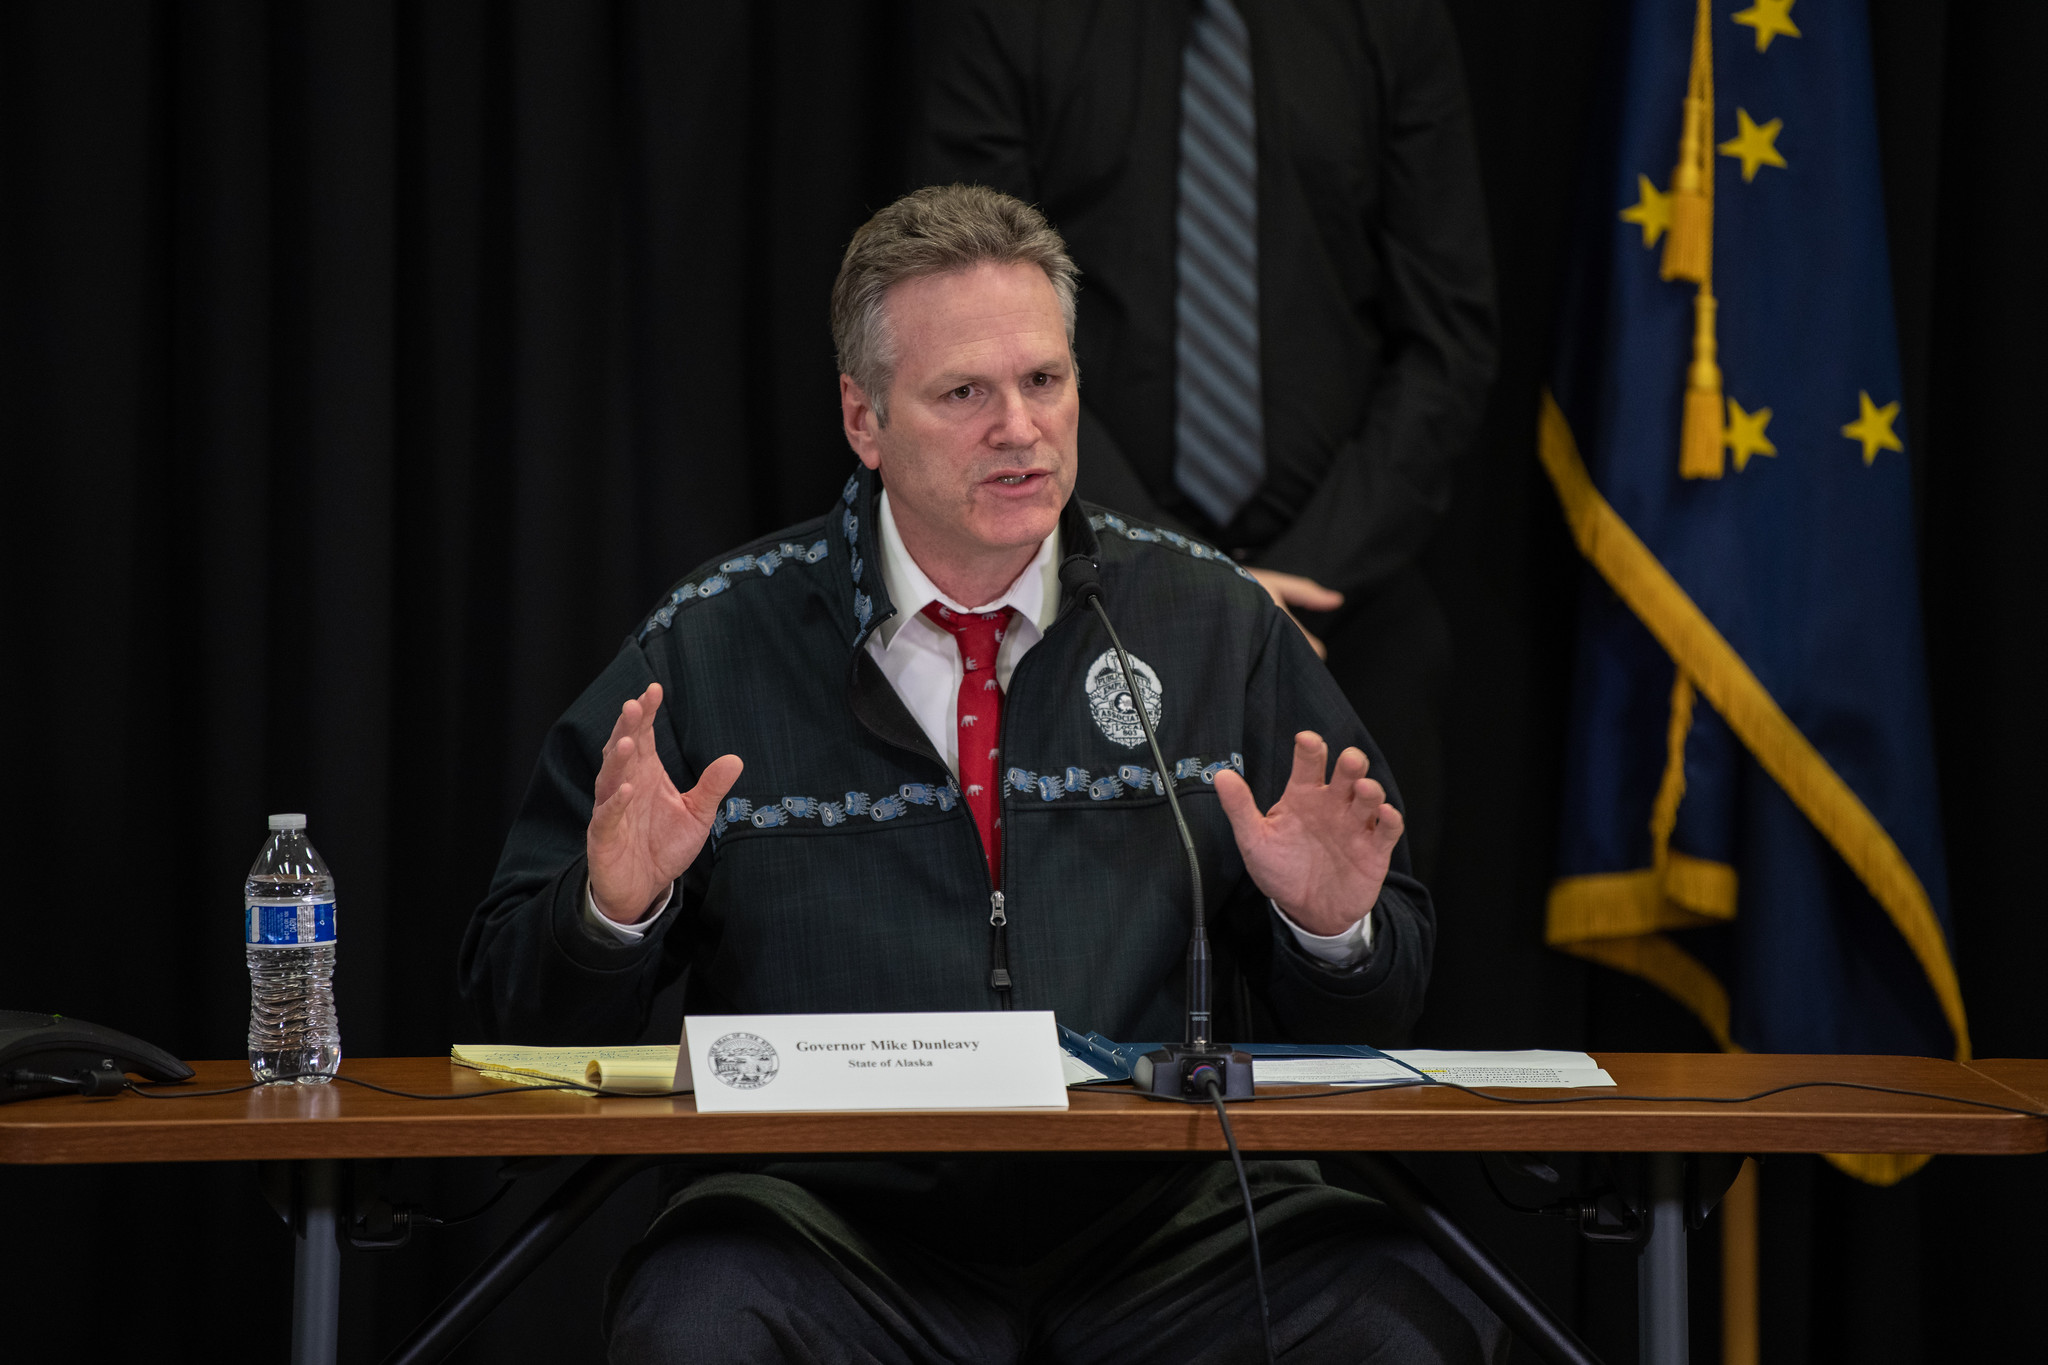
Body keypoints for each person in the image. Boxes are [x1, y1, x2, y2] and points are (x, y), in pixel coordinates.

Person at [462, 185, 1503, 1363]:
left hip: (1165, 1226)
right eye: (963, 393)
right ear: (863, 419)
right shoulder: (711, 640)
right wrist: (611, 914)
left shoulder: (1211, 623)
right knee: (698, 1318)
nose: (1020, 428)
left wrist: (1329, 935)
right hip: (822, 1229)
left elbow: (1382, 1010)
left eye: (1043, 380)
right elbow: (517, 1012)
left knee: (1397, 1308)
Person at [915, 0, 1498, 882]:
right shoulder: (1010, 22)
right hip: (1078, 602)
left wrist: (1283, 592)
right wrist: (1192, 584)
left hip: (1341, 610)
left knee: (1363, 943)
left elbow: (1447, 344)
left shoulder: (1391, 22)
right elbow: (969, 326)